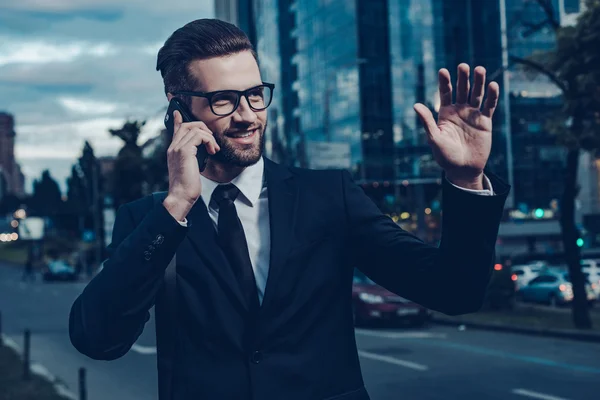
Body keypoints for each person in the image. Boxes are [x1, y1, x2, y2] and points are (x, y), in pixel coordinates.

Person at [69, 19, 510, 400]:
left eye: (256, 94)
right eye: (224, 100)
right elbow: (98, 339)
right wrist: (177, 205)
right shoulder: (151, 221)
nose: (248, 116)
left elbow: (455, 292)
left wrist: (467, 179)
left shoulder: (328, 197)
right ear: (179, 107)